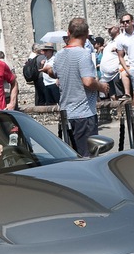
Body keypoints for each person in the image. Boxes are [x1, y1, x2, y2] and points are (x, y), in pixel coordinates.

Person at [43, 17, 109, 157]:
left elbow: (55, 73)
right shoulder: (83, 54)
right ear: (86, 35)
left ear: (68, 32)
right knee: (88, 159)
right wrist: (102, 87)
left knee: (73, 157)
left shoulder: (59, 55)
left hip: (67, 114)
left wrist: (47, 70)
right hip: (83, 115)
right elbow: (88, 81)